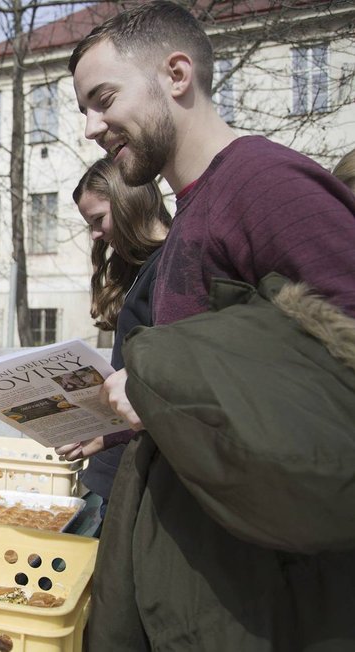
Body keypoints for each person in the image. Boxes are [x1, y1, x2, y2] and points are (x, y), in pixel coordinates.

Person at [70, 1, 355, 648]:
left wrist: (158, 382)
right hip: (206, 576)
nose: (91, 127)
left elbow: (339, 361)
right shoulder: (200, 208)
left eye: (103, 98)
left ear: (176, 74)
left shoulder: (266, 186)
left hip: (274, 596)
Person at [56, 158, 170, 526]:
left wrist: (109, 433)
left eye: (98, 220)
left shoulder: (171, 268)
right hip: (119, 464)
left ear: (129, 203)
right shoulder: (139, 269)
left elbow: (166, 386)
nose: (95, 235)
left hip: (145, 475)